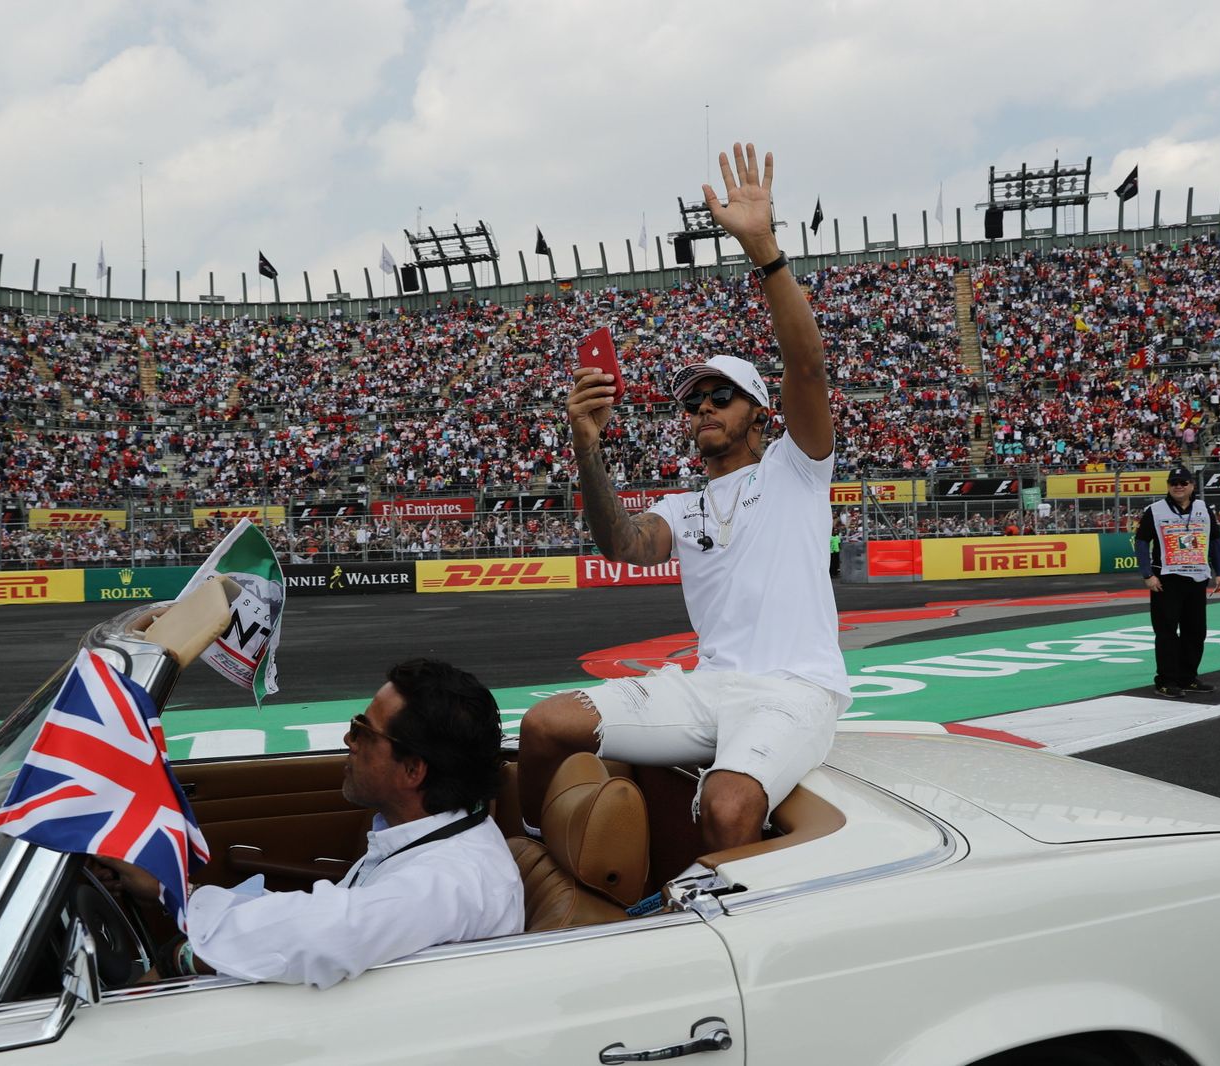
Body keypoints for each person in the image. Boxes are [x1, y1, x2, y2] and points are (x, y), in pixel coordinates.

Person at [520, 141, 849, 852]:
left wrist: (764, 250)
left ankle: (732, 918)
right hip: (707, 686)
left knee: (728, 806)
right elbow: (622, 545)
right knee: (543, 727)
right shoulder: (682, 505)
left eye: (720, 396)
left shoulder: (795, 467)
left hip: (794, 689)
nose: (702, 407)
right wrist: (586, 444)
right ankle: (532, 861)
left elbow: (808, 367)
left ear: (760, 414)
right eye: (692, 400)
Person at [101, 658, 522, 988]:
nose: (348, 740)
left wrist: (181, 958)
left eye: (362, 731)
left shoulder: (448, 879)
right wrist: (175, 893)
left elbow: (323, 935)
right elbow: (318, 915)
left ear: (413, 770)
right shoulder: (427, 837)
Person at [1134, 465, 1220, 697]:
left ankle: (1188, 677)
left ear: (1192, 486)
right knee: (1166, 632)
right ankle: (1166, 680)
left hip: (1197, 578)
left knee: (1195, 631)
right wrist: (1147, 574)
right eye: (1173, 483)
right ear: (1168, 486)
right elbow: (1141, 541)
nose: (1178, 486)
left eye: (1183, 482)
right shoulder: (1155, 510)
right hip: (1166, 580)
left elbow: (1215, 540)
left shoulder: (1204, 508)